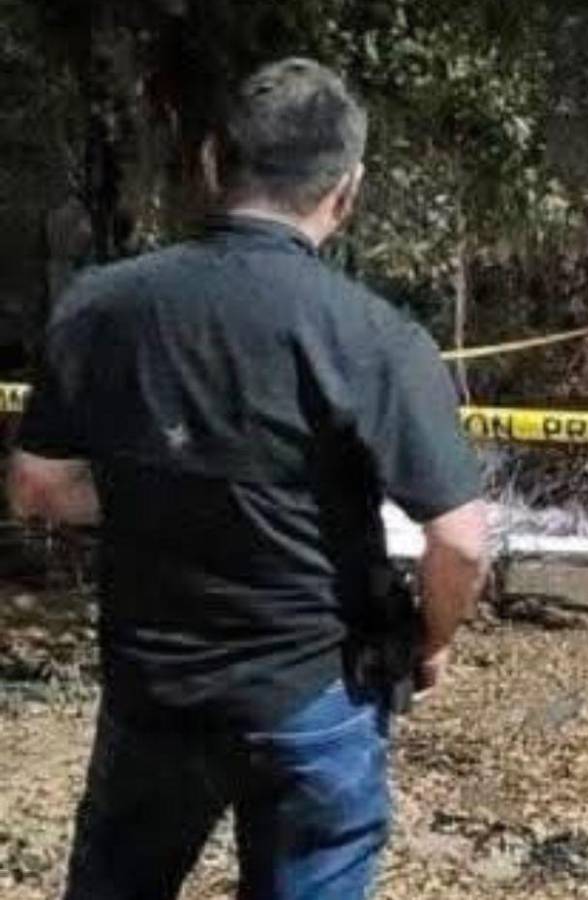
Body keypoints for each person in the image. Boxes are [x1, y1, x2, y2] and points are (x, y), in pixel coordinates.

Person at [7, 58, 490, 899]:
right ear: (347, 190)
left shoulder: (99, 306)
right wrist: (432, 639)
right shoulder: (376, 336)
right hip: (315, 694)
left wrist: (159, 495)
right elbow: (461, 543)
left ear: (209, 162)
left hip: (153, 689)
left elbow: (36, 487)